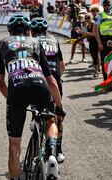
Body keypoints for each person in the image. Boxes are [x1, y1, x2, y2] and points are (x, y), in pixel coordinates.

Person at [0, 14, 65, 180]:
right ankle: (51, 153)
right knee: (50, 121)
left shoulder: (2, 44)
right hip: (41, 86)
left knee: (14, 146)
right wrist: (59, 107)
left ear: (10, 31)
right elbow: (51, 81)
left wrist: (11, 100)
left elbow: (0, 83)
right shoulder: (36, 42)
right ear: (28, 31)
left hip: (17, 90)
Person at [30, 17, 66, 163]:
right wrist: (59, 78)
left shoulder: (30, 42)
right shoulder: (54, 41)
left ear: (32, 31)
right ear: (46, 30)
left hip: (36, 80)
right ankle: (58, 150)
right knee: (57, 115)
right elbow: (62, 66)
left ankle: (35, 118)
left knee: (36, 105)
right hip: (54, 81)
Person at [93, 0, 112, 81]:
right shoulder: (99, 15)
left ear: (110, 5)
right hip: (104, 39)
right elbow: (96, 30)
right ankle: (106, 80)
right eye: (105, 5)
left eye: (108, 5)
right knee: (105, 62)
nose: (106, 7)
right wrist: (99, 43)